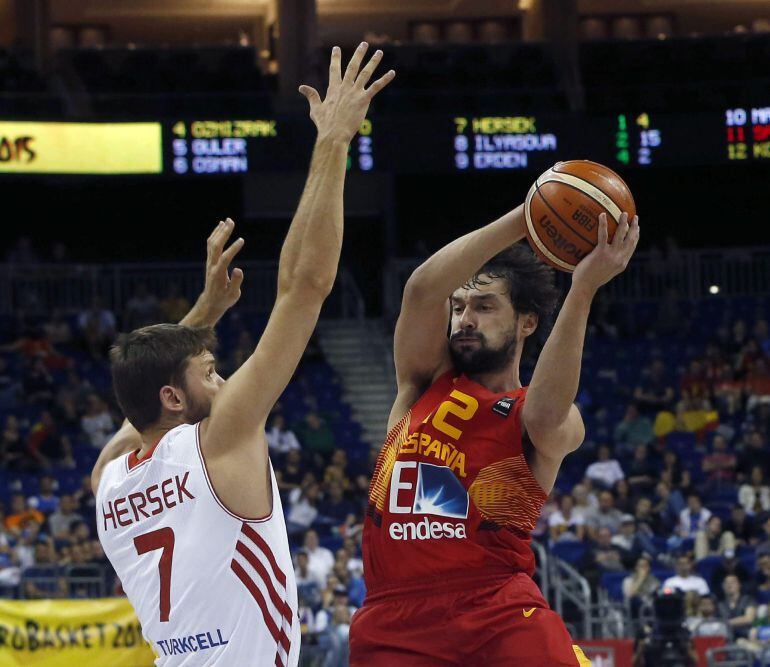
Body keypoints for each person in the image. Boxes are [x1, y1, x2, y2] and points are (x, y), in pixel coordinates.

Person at [91, 45, 394, 667]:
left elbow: (137, 403)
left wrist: (198, 324)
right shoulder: (217, 439)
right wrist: (333, 143)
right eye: (210, 371)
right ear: (174, 398)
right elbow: (304, 288)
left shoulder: (111, 486)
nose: (224, 378)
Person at [350, 176, 639, 664]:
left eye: (484, 307)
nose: (464, 318)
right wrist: (527, 218)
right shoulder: (421, 384)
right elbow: (422, 289)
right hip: (393, 618)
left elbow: (547, 412)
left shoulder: (543, 416)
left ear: (527, 323)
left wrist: (583, 288)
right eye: (460, 307)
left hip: (497, 609)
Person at [718, 574, 756, 639]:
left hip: (746, 634)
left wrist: (727, 623)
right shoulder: (720, 604)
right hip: (725, 635)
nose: (729, 585)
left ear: (739, 585)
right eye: (726, 583)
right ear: (723, 586)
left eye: (732, 582)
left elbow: (749, 618)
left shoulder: (748, 600)